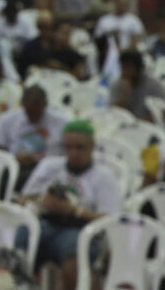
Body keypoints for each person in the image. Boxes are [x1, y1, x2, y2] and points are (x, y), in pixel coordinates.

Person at [17, 119, 123, 290]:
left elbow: (111, 219)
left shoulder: (104, 177)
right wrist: (43, 201)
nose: (73, 153)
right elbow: (23, 199)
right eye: (68, 147)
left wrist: (75, 211)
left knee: (74, 255)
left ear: (92, 147)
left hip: (80, 229)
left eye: (80, 148)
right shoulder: (50, 166)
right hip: (46, 223)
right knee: (22, 237)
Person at [0, 85, 69, 189]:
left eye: (37, 112)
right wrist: (14, 159)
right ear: (22, 105)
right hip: (17, 167)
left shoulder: (61, 122)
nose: (33, 116)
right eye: (29, 112)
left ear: (45, 105)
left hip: (50, 169)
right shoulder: (7, 120)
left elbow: (70, 150)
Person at [110, 49, 165, 122]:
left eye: (128, 68)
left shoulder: (154, 86)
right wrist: (124, 96)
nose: (124, 72)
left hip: (146, 126)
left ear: (138, 69)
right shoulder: (117, 84)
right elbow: (110, 111)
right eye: (122, 67)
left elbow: (162, 113)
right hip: (121, 125)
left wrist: (137, 122)